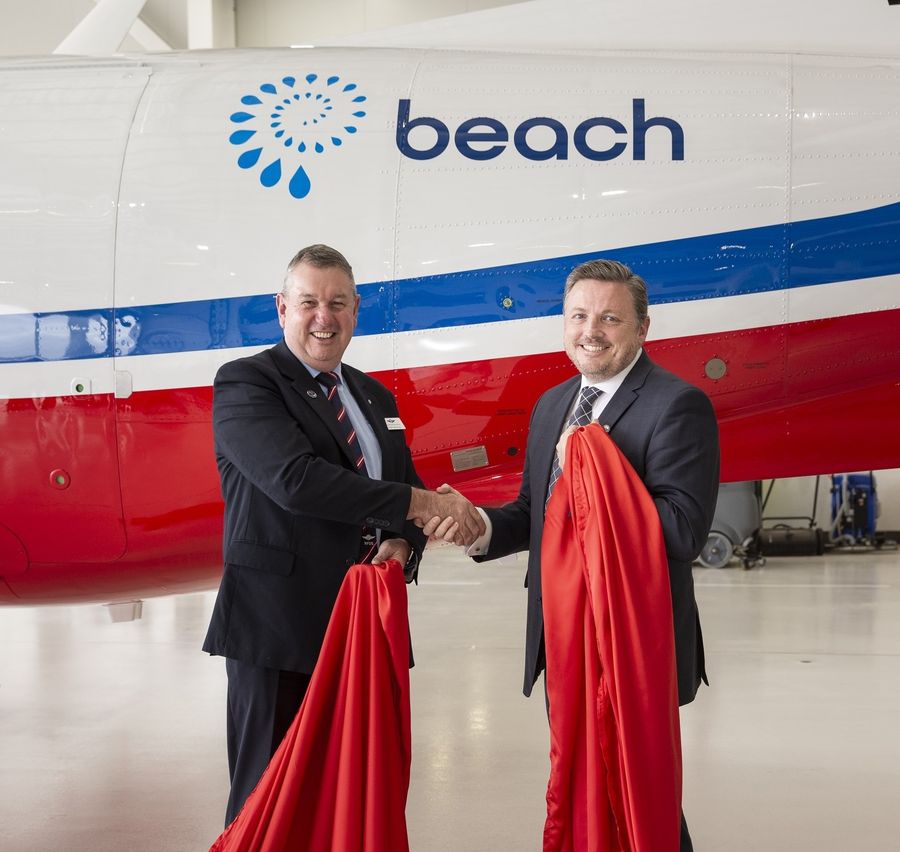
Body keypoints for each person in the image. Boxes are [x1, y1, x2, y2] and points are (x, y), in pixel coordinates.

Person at [426, 259, 719, 851]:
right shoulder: (553, 404)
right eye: (579, 316)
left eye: (611, 318)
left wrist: (596, 481)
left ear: (642, 328)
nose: (592, 330)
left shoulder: (676, 405)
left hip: (633, 646)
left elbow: (683, 530)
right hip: (563, 640)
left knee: (643, 798)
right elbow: (537, 515)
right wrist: (477, 524)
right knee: (588, 788)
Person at [202, 244, 484, 826]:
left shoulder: (374, 395)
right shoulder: (247, 383)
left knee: (349, 796)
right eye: (308, 303)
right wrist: (415, 502)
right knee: (269, 799)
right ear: (282, 307)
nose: (323, 317)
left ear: (357, 310)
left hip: (363, 626)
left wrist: (405, 541)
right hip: (278, 629)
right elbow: (296, 481)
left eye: (337, 303)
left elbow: (405, 487)